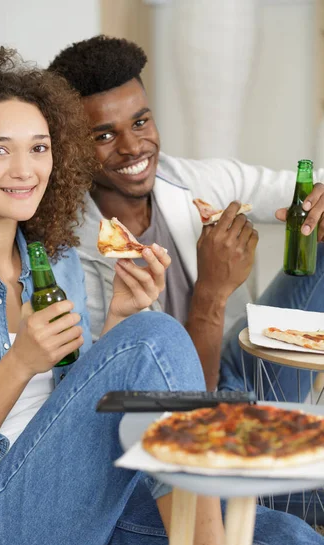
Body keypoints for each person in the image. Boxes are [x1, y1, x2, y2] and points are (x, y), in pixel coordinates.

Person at [0, 43, 256, 545]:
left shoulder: (57, 262)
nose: (25, 170)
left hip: (76, 504)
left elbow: (67, 408)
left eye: (39, 148)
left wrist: (118, 323)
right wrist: (19, 363)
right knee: (156, 338)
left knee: (269, 543)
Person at [48, 35, 324, 399]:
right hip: (174, 409)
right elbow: (178, 398)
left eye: (141, 122)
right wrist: (212, 292)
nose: (132, 147)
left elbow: (304, 184)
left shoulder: (191, 180)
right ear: (72, 146)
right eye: (104, 135)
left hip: (248, 369)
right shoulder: (67, 253)